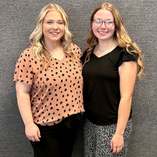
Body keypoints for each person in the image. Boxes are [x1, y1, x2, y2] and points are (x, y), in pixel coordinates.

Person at [13, 4, 84, 157]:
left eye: (60, 22)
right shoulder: (29, 56)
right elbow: (22, 92)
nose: (55, 27)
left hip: (72, 123)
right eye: (49, 22)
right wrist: (29, 124)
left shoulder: (74, 52)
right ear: (41, 25)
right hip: (44, 127)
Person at [81, 2, 144, 157]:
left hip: (113, 126)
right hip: (90, 122)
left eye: (109, 22)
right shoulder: (88, 54)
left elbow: (126, 97)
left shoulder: (125, 54)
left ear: (116, 25)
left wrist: (119, 133)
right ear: (92, 24)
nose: (103, 26)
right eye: (98, 21)